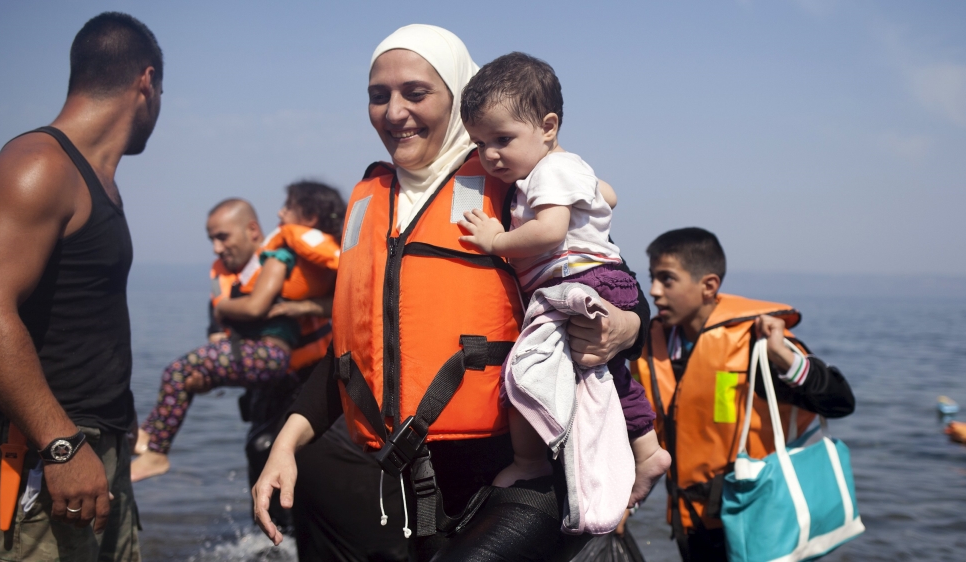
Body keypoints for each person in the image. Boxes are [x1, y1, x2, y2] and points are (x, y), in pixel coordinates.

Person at [254, 24, 662, 561]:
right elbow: (353, 356)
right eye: (379, 96)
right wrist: (286, 444)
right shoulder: (370, 202)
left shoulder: (512, 180)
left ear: (458, 94)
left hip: (526, 472)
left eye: (416, 93)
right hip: (419, 485)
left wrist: (625, 327)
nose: (395, 111)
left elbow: (612, 279)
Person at [0, 12, 161, 560]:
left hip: (95, 450)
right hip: (38, 456)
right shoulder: (38, 166)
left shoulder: (98, 181)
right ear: (145, 83)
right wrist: (60, 444)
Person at [456, 51, 667, 492]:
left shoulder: (550, 171)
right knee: (607, 373)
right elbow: (608, 195)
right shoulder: (564, 168)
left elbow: (550, 233)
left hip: (579, 281)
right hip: (605, 280)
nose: (489, 155)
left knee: (523, 371)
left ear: (548, 127)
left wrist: (497, 241)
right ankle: (648, 451)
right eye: (478, 143)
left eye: (502, 139)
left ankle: (529, 462)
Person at [633, 227, 856, 561]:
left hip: (758, 518)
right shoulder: (650, 349)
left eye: (667, 280)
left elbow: (840, 402)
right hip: (690, 523)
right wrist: (624, 504)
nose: (654, 292)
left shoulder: (755, 343)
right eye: (652, 278)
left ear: (708, 286)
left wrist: (784, 358)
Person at [131, 184, 343, 482]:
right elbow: (218, 348)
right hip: (266, 388)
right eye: (211, 240)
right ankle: (152, 440)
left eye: (222, 237)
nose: (217, 248)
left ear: (253, 231)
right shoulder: (227, 285)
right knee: (255, 448)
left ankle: (154, 445)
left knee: (176, 371)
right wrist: (204, 379)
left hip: (305, 382)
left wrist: (298, 308)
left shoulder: (281, 258)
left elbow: (338, 300)